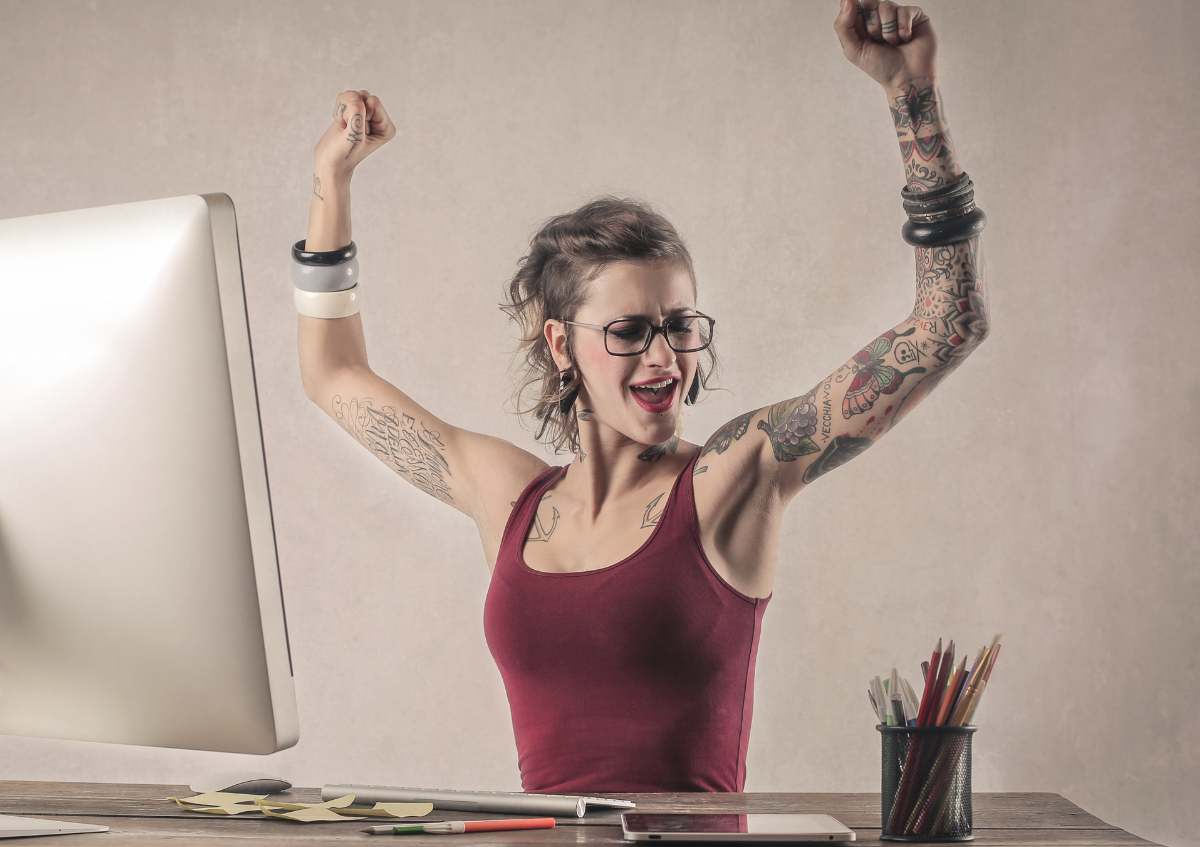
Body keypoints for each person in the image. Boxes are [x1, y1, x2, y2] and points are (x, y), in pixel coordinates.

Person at [292, 0, 988, 793]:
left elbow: (946, 326)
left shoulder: (733, 478)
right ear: (563, 346)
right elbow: (334, 375)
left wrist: (912, 95)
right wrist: (331, 179)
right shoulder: (510, 499)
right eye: (628, 331)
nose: (665, 358)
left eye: (680, 325)